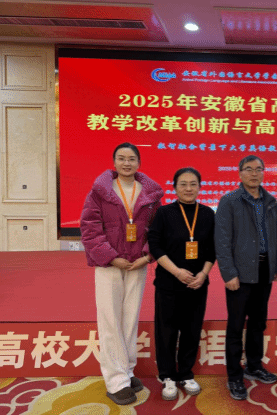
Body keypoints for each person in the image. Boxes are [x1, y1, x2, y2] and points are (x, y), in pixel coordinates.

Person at [80, 142, 163, 405]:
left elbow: (157, 229)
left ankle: (126, 370)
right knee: (110, 320)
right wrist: (110, 257)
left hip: (137, 264)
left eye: (131, 159)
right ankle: (115, 381)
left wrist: (147, 256)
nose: (127, 163)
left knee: (130, 318)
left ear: (139, 163)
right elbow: (90, 227)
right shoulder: (100, 191)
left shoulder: (150, 193)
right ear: (114, 162)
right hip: (110, 265)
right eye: (121, 158)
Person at [214, 155, 277, 400]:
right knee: (236, 326)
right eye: (249, 169)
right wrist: (229, 273)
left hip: (264, 270)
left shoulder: (271, 201)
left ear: (264, 172)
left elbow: (276, 237)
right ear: (240, 173)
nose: (254, 173)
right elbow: (222, 241)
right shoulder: (229, 201)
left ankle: (254, 366)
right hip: (239, 273)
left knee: (258, 322)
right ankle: (234, 376)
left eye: (258, 169)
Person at [147, 167, 215, 400]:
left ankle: (186, 373)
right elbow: (155, 245)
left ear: (199, 187)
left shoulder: (207, 214)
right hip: (169, 282)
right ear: (175, 187)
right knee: (166, 330)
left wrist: (203, 274)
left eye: (193, 184)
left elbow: (212, 248)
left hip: (197, 283)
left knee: (191, 329)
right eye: (183, 184)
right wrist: (177, 272)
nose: (188, 188)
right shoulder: (164, 213)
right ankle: (167, 375)